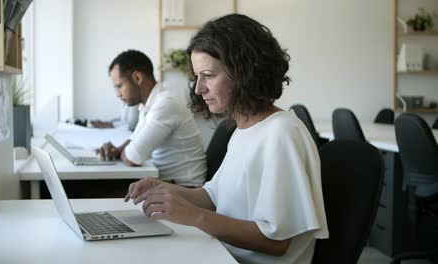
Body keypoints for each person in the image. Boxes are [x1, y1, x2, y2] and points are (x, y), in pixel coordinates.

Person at [124, 14, 329, 263]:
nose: (199, 88)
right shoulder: (243, 127)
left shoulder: (282, 134)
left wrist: (193, 216)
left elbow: (276, 241)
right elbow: (214, 196)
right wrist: (167, 190)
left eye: (208, 75)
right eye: (197, 76)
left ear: (244, 72)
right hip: (225, 255)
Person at [97, 50, 207, 187]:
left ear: (137, 78)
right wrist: (117, 150)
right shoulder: (150, 104)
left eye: (119, 86)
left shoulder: (166, 103)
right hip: (165, 184)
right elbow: (133, 141)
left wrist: (126, 152)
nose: (118, 94)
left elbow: (132, 158)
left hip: (184, 189)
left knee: (89, 191)